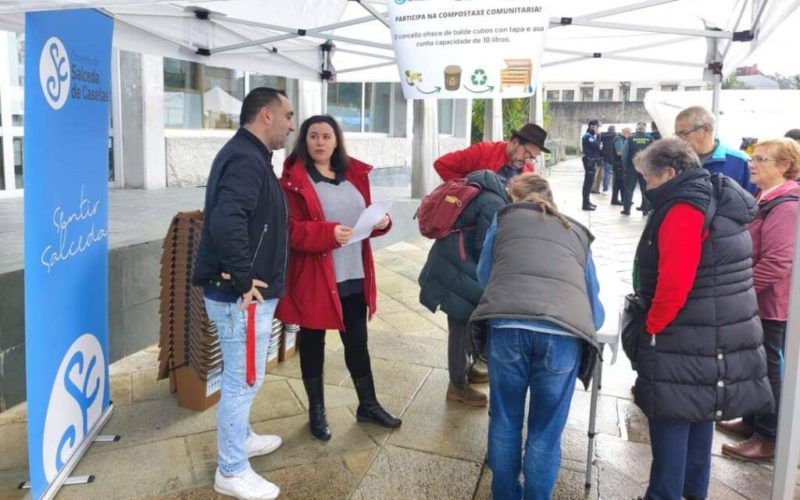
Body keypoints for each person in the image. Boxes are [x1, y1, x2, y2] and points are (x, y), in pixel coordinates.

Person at [629, 138, 772, 499]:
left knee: (672, 417)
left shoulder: (684, 207)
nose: (647, 187)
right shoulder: (716, 196)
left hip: (686, 331)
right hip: (717, 326)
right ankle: (693, 492)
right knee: (698, 413)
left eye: (649, 179)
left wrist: (652, 327)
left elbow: (675, 280)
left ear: (670, 173)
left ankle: (664, 495)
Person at [472, 173, 603, 500]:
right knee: (545, 433)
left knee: (504, 421)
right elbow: (591, 299)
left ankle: (504, 495)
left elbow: (485, 275)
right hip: (561, 335)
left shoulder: (502, 222)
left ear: (514, 200)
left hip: (508, 329)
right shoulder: (574, 231)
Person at [193, 87, 294, 500]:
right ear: (266, 115)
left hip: (240, 293)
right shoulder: (245, 158)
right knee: (242, 381)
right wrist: (244, 278)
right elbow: (226, 219)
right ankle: (231, 469)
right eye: (288, 115)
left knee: (245, 378)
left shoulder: (250, 155)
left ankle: (242, 436)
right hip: (240, 297)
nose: (292, 124)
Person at [276, 115, 401, 442]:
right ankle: (316, 411)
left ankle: (368, 404)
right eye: (313, 136)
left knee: (358, 342)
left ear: (336, 141)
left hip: (354, 274)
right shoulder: (294, 181)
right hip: (316, 278)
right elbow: (290, 230)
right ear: (304, 141)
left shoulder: (353, 176)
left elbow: (364, 218)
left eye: (326, 136)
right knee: (313, 343)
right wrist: (327, 233)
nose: (319, 142)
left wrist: (381, 222)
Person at [718, 138, 800, 462]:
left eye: (762, 159)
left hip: (770, 306)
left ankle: (769, 437)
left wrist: (741, 289)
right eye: (754, 157)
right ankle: (753, 420)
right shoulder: (765, 196)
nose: (753, 163)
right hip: (756, 300)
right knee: (754, 365)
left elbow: (778, 263)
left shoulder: (787, 205)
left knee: (768, 369)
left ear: (784, 166)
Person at [418, 169, 510, 407]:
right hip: (457, 266)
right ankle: (457, 385)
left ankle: (466, 370)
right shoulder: (494, 202)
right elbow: (483, 247)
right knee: (460, 323)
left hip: (452, 260)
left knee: (465, 321)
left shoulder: (484, 189)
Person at [433, 123, 550, 185]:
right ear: (515, 142)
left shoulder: (528, 169)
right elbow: (442, 164)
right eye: (527, 154)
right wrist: (466, 189)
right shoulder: (483, 151)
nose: (527, 161)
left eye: (532, 158)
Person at [674, 106, 754, 191]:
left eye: (684, 134)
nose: (679, 140)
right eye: (677, 135)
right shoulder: (675, 161)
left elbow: (752, 200)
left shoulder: (740, 161)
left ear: (705, 130)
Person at [621, 122, 652, 215]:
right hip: (645, 168)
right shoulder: (650, 139)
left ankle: (627, 210)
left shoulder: (630, 138)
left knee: (629, 188)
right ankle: (645, 210)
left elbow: (624, 155)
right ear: (644, 129)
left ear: (636, 129)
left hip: (632, 167)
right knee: (645, 189)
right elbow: (653, 153)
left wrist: (624, 167)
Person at [581, 119, 602, 210]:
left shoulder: (591, 136)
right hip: (589, 161)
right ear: (593, 127)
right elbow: (598, 147)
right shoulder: (588, 136)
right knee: (588, 183)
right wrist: (598, 136)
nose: (598, 129)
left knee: (589, 183)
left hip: (592, 161)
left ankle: (587, 202)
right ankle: (585, 204)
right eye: (598, 127)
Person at [611, 127, 630, 205]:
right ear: (624, 132)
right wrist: (628, 154)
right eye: (628, 133)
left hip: (620, 164)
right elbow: (619, 152)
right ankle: (616, 200)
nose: (629, 135)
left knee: (620, 183)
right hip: (618, 164)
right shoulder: (619, 139)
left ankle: (622, 199)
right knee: (619, 183)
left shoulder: (623, 139)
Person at [596, 125, 617, 194]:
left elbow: (599, 144)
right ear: (614, 130)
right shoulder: (615, 136)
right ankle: (615, 189)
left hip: (605, 157)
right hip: (614, 157)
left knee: (606, 173)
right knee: (615, 174)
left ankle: (605, 189)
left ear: (608, 130)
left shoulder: (603, 136)